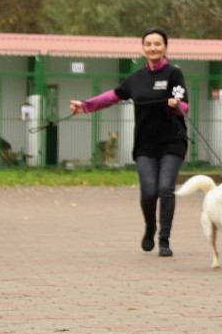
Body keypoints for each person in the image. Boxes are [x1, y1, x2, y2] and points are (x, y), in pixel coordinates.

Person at [70, 27, 189, 257]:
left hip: (172, 142)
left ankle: (164, 240)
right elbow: (112, 96)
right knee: (148, 192)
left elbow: (185, 107)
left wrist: (177, 106)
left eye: (157, 44)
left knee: (165, 189)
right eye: (148, 44)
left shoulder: (174, 74)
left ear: (165, 47)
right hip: (145, 145)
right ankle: (150, 227)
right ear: (143, 48)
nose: (153, 48)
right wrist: (85, 106)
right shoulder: (137, 79)